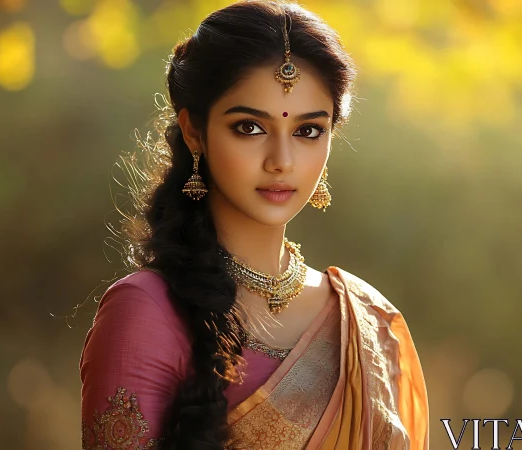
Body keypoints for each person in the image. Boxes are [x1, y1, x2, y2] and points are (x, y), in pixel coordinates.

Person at [79, 1, 429, 448]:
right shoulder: (145, 312)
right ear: (194, 132)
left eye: (308, 131)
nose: (281, 162)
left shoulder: (366, 322)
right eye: (249, 127)